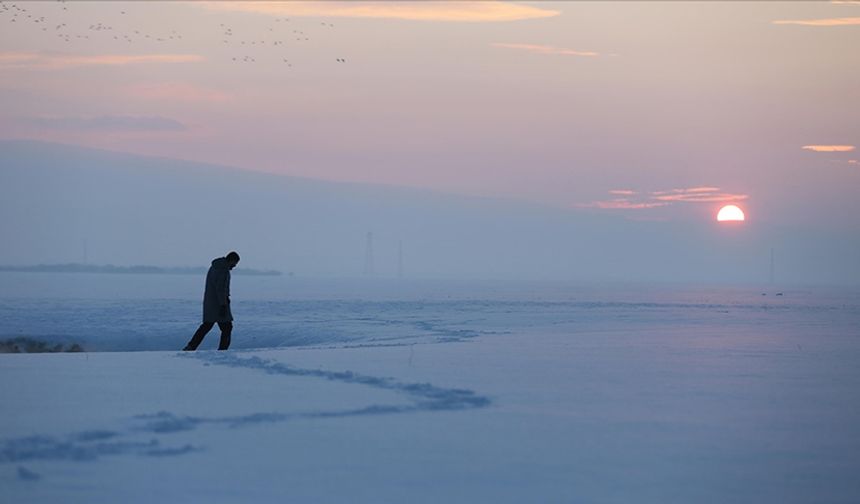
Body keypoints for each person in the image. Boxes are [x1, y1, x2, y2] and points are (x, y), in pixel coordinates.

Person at [183, 251, 240, 351]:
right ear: (231, 260)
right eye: (234, 264)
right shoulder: (223, 270)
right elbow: (221, 289)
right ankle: (223, 351)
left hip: (210, 303)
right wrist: (223, 305)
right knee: (227, 328)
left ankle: (191, 346)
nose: (234, 266)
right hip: (218, 304)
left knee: (206, 326)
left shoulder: (215, 267)